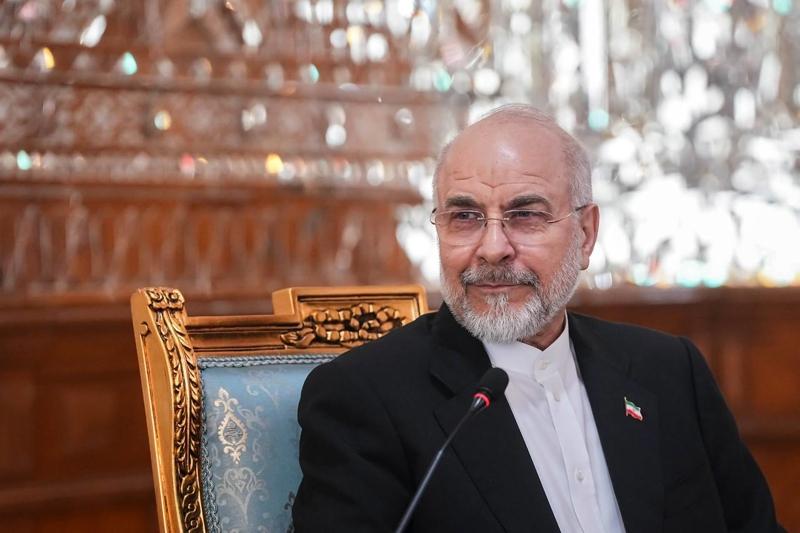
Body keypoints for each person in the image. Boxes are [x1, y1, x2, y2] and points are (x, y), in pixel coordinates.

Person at [291, 104, 784, 532]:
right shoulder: (364, 399)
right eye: (465, 217)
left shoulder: (668, 370)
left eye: (525, 215)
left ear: (585, 235)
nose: (493, 248)